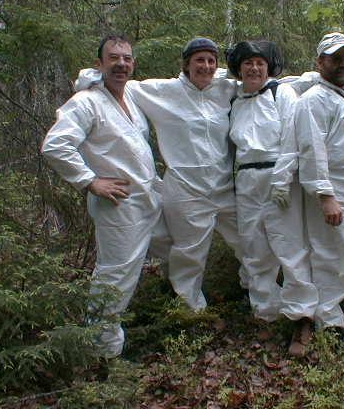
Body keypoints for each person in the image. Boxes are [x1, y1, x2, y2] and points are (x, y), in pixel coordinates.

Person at [76, 38, 246, 312]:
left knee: (249, 239)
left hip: (225, 186)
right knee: (190, 252)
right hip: (185, 189)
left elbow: (262, 79)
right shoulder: (162, 91)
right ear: (186, 64)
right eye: (199, 60)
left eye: (211, 60)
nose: (205, 66)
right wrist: (88, 79)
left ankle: (257, 295)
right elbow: (117, 80)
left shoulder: (226, 88)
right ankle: (190, 310)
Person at [42, 35, 162, 360]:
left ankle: (111, 338)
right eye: (114, 58)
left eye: (127, 58)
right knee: (115, 277)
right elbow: (55, 146)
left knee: (130, 270)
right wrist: (90, 181)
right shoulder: (86, 102)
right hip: (117, 204)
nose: (121, 64)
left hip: (145, 201)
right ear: (100, 64)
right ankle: (101, 355)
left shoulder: (130, 102)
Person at [226, 41, 318, 357]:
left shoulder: (282, 94)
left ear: (269, 66)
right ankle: (265, 314)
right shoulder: (236, 100)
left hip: (280, 176)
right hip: (247, 181)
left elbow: (294, 139)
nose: (253, 68)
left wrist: (283, 180)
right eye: (247, 63)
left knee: (291, 247)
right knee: (254, 249)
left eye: (259, 63)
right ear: (238, 69)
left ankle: (303, 319)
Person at [292, 32, 344, 333]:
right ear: (320, 62)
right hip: (334, 196)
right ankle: (330, 328)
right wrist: (325, 195)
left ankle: (336, 309)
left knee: (342, 258)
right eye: (336, 59)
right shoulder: (314, 100)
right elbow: (311, 150)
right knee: (330, 258)